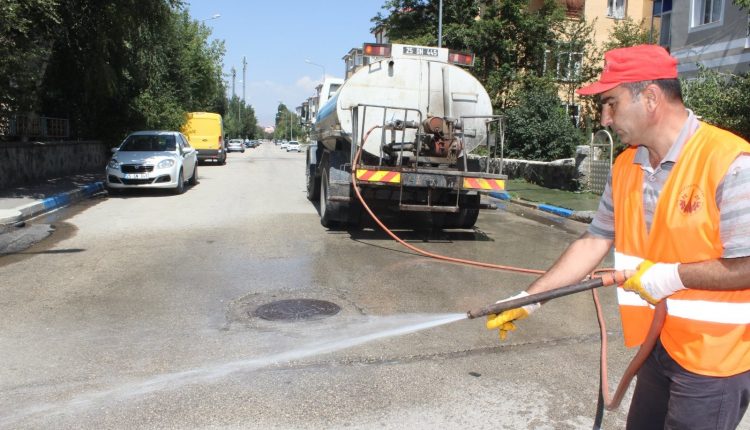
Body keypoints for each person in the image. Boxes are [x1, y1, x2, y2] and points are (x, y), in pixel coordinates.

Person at [486, 44, 750, 430]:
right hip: (657, 346)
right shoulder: (627, 166)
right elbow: (594, 240)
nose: (605, 119)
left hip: (716, 359)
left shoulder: (730, 162)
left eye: (611, 103)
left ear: (651, 97)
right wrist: (531, 299)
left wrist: (670, 277)